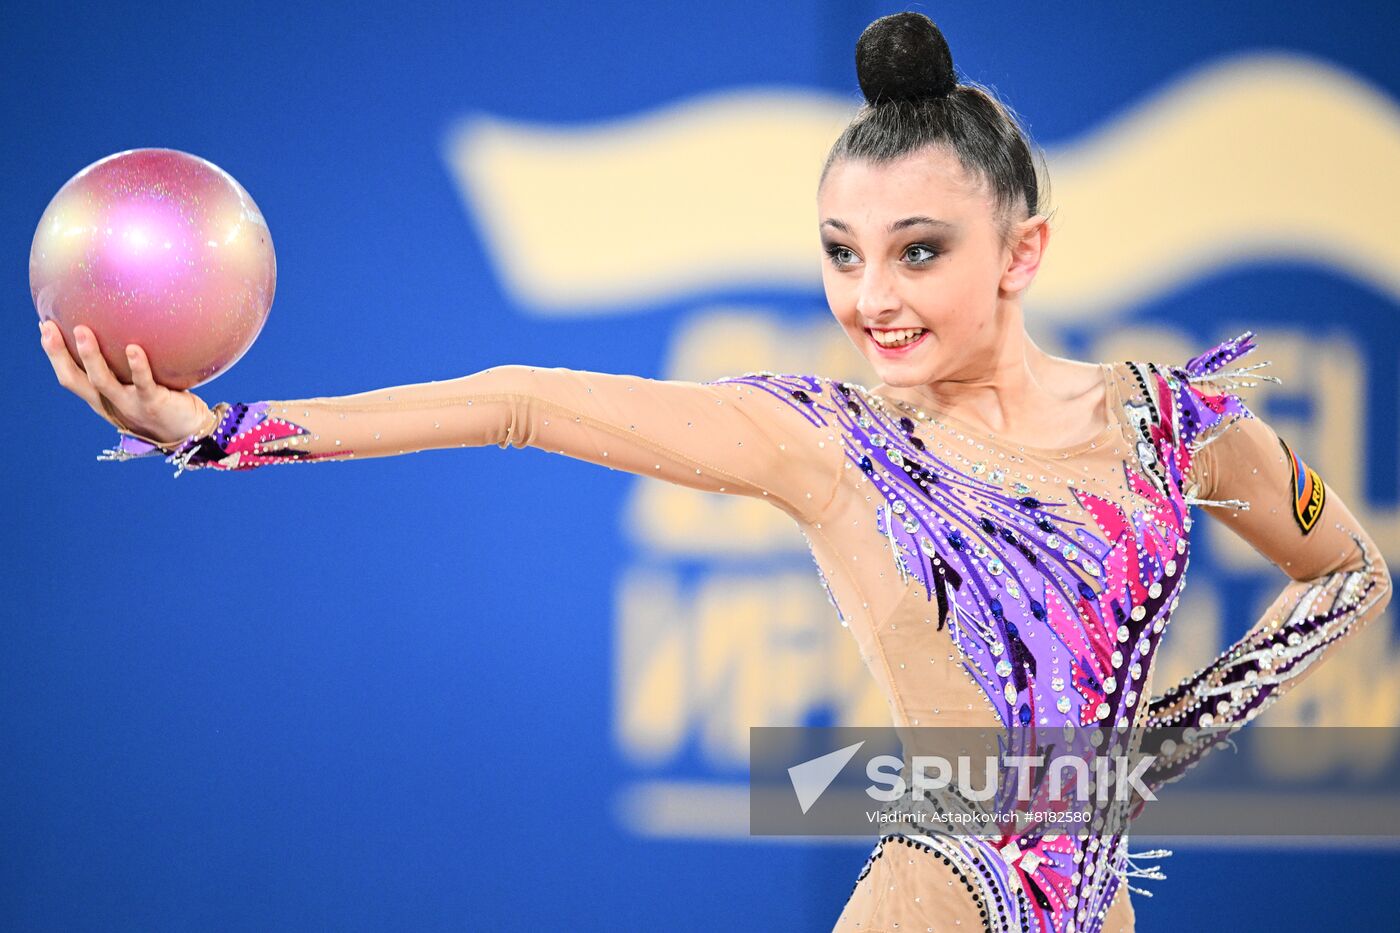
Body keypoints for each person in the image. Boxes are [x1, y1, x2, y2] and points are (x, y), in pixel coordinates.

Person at [38, 12, 1391, 933]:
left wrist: (1155, 748)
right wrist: (227, 429)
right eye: (840, 252)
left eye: (917, 250)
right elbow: (518, 403)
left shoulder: (1171, 424)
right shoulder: (831, 440)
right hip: (940, 888)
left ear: (1021, 253)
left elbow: (1349, 574)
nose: (872, 297)